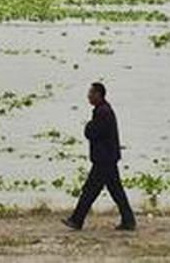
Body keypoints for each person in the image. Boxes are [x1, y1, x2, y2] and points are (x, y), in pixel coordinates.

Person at [63, 82, 136, 231]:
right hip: (107, 158)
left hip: (104, 160)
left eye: (91, 93)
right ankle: (128, 221)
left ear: (98, 95)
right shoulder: (103, 110)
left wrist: (88, 127)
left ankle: (76, 220)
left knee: (90, 191)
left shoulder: (103, 112)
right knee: (115, 191)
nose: (88, 96)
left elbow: (92, 133)